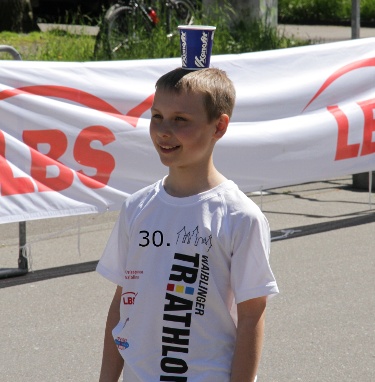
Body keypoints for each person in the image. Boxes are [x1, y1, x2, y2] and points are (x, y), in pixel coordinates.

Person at [97, 67, 279, 382]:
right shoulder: (136, 208)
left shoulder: (240, 217)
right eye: (157, 116)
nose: (164, 130)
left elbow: (251, 317)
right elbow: (121, 304)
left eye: (180, 120)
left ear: (219, 126)